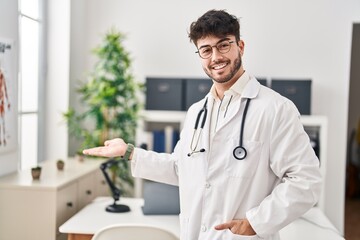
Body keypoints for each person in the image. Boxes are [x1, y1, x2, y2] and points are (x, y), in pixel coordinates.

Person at [83, 9, 322, 240]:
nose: (216, 57)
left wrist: (256, 223)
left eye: (223, 45)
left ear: (240, 46)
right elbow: (181, 169)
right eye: (206, 50)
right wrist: (129, 152)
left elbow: (306, 181)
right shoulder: (197, 111)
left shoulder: (275, 108)